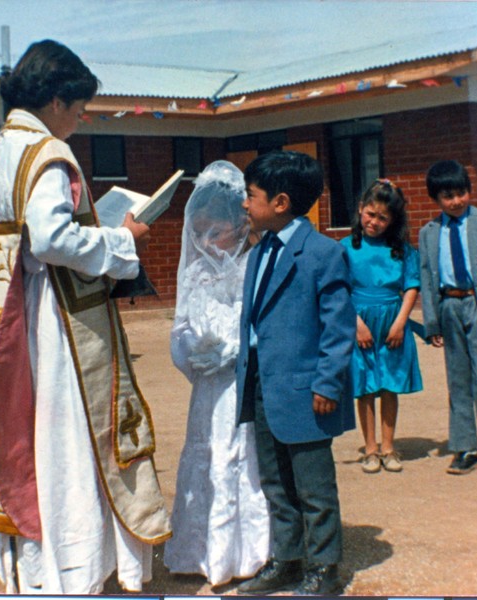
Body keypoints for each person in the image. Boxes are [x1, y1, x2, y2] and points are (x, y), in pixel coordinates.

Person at [0, 40, 170, 594]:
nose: (81, 120)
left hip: (13, 315)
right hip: (53, 318)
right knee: (68, 436)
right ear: (56, 99)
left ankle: (40, 567)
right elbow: (53, 238)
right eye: (80, 108)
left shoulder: (0, 148)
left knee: (29, 434)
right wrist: (122, 238)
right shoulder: (48, 154)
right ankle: (77, 565)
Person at [235, 151, 356, 596]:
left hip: (306, 392)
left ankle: (324, 567)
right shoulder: (259, 250)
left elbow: (338, 326)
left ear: (281, 202)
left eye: (252, 196)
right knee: (275, 482)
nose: (245, 205)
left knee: (313, 486)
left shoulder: (323, 253)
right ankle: (286, 558)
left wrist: (327, 383)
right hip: (264, 386)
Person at [164, 161, 270, 586]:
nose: (207, 241)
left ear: (239, 226)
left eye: (216, 232)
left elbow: (265, 324)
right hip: (208, 385)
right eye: (200, 233)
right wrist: (193, 352)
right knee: (205, 453)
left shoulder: (252, 269)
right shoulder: (194, 273)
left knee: (237, 456)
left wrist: (236, 350)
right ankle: (197, 551)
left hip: (240, 381)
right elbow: (182, 326)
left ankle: (242, 555)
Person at [341, 180, 423, 474]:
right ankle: (370, 449)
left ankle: (389, 447)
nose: (374, 222)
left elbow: (412, 286)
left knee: (390, 383)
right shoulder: (346, 247)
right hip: (359, 320)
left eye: (382, 217)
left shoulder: (401, 249)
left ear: (393, 220)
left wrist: (400, 323)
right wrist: (356, 324)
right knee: (364, 384)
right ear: (360, 209)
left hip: (392, 321)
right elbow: (339, 289)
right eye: (370, 214)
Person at [419, 160, 477, 477]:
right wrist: (432, 322)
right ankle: (465, 447)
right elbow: (426, 277)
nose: (456, 201)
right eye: (448, 196)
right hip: (449, 306)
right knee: (458, 381)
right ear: (436, 199)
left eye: (461, 193)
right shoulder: (429, 232)